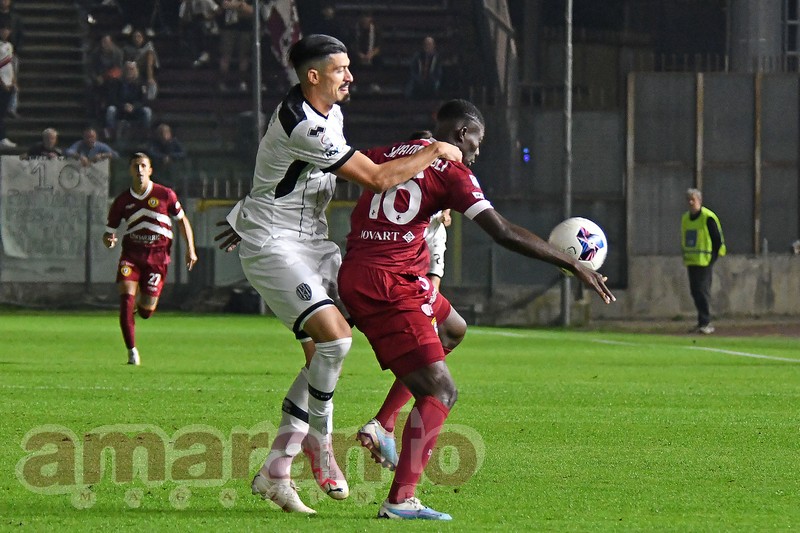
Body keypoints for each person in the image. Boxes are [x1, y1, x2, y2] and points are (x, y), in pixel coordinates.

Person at [213, 34, 462, 515]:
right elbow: (376, 177)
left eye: (348, 67)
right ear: (313, 76)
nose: (350, 76)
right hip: (274, 244)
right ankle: (321, 440)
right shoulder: (304, 123)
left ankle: (276, 472)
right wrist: (433, 152)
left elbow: (293, 172)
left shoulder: (330, 114)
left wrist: (427, 202)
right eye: (340, 69)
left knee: (324, 352)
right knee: (337, 340)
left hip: (313, 241)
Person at [338, 99, 615, 520]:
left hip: (369, 269)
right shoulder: (453, 172)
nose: (477, 151)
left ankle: (384, 423)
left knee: (453, 328)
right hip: (389, 283)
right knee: (441, 391)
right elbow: (502, 231)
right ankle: (400, 501)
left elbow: (343, 167)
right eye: (477, 142)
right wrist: (572, 263)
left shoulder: (392, 151)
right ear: (462, 133)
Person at [103, 152, 198, 365]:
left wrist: (190, 249)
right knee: (126, 301)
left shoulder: (165, 194)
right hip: (131, 256)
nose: (139, 170)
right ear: (130, 170)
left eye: (143, 166)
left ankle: (141, 304)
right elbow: (108, 232)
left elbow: (182, 220)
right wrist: (109, 240)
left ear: (150, 170)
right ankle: (132, 351)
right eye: (135, 166)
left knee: (146, 311)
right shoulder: (122, 201)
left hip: (158, 259)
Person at [681, 188, 725, 334]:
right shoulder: (686, 218)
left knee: (702, 291)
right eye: (688, 200)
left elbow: (717, 240)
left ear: (699, 201)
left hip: (705, 261)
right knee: (695, 291)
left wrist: (712, 258)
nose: (690, 202)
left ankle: (706, 322)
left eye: (693, 199)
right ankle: (702, 322)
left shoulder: (707, 217)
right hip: (692, 261)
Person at [104, 61, 153, 141]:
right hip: (120, 109)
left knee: (147, 111)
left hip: (135, 110)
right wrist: (123, 106)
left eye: (132, 69)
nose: (129, 71)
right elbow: (112, 99)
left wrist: (134, 106)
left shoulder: (141, 83)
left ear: (136, 70)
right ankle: (110, 134)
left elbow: (144, 100)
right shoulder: (116, 82)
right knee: (110, 110)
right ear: (124, 70)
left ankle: (146, 134)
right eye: (127, 69)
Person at [217, 0, 253, 92]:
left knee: (244, 55)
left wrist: (237, 5)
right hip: (228, 28)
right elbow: (222, 6)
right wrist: (238, 6)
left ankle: (242, 81)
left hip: (245, 28)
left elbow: (251, 10)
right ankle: (222, 82)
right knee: (225, 55)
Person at [147, 122, 188, 190]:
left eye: (166, 133)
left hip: (173, 169)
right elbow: (152, 153)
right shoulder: (155, 143)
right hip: (158, 169)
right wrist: (163, 157)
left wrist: (170, 157)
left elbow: (183, 153)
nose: (164, 135)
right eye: (162, 133)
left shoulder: (174, 142)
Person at [405, 36, 443, 100]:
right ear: (423, 46)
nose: (428, 46)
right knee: (410, 86)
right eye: (426, 44)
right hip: (418, 80)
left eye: (430, 45)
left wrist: (432, 79)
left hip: (431, 81)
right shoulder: (417, 56)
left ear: (434, 46)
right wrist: (419, 79)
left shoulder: (437, 58)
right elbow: (413, 70)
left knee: (436, 85)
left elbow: (438, 72)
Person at [0, 20, 15, 148]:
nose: (5, 32)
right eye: (3, 29)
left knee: (4, 112)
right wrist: (2, 82)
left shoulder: (9, 45)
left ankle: (3, 137)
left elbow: (9, 65)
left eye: (7, 30)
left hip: (8, 82)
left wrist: (13, 80)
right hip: (2, 83)